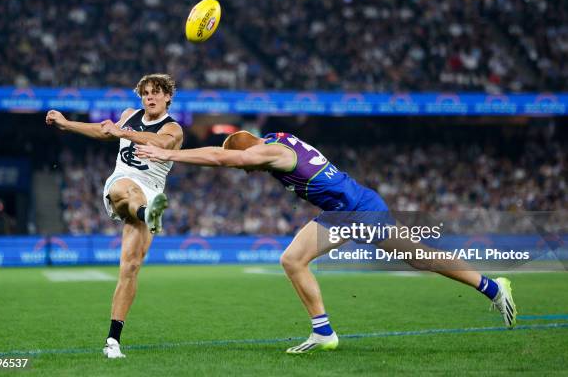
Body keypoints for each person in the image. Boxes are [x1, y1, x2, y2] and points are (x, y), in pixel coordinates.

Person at [135, 130, 517, 354]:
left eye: (247, 164)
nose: (249, 171)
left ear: (248, 150)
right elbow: (233, 157)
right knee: (419, 257)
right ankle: (491, 287)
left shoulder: (270, 151)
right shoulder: (279, 141)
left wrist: (168, 154)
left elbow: (222, 159)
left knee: (293, 260)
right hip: (355, 203)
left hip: (350, 210)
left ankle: (323, 331)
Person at [46, 73, 183, 358]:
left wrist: (125, 133)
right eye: (145, 93)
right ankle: (147, 214)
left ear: (168, 96)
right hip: (124, 182)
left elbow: (160, 143)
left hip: (153, 190)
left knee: (130, 268)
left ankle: (112, 341)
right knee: (126, 191)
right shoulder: (129, 115)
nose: (150, 97)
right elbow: (103, 130)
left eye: (156, 92)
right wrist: (66, 124)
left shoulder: (173, 128)